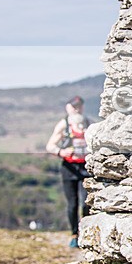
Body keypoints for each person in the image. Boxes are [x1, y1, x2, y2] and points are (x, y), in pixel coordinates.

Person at [46, 96, 91, 247]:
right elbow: (50, 146)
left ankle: (86, 233)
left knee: (86, 202)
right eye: (74, 106)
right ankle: (74, 235)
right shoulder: (63, 125)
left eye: (79, 106)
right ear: (68, 108)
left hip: (86, 167)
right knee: (72, 204)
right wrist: (61, 152)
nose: (77, 109)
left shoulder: (89, 124)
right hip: (69, 168)